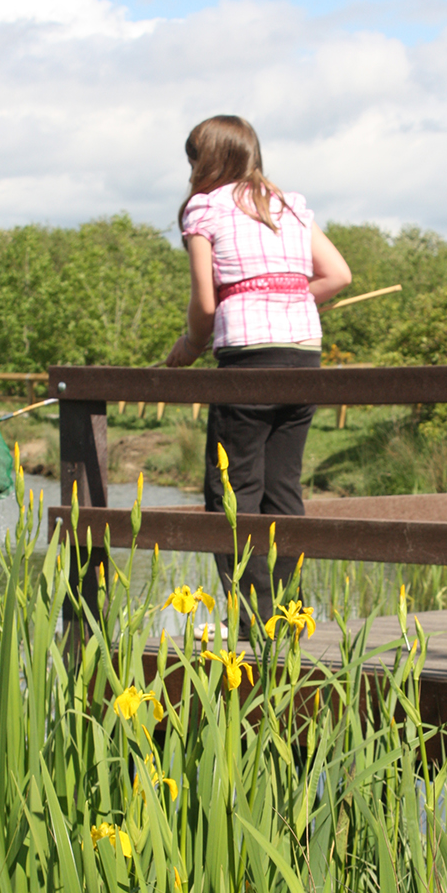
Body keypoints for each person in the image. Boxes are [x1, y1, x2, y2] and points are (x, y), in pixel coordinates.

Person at [166, 115, 352, 636]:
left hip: (247, 354)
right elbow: (339, 274)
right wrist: (287, 297)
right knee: (283, 486)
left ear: (205, 159)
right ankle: (289, 614)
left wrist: (191, 345)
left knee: (232, 487)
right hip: (303, 353)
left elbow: (204, 303)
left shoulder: (204, 207)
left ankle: (250, 617)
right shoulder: (288, 203)